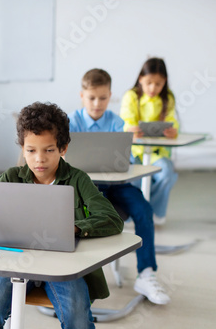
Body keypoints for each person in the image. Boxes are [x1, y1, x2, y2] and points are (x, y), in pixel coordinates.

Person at [0, 102, 123, 329]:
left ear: (63, 148)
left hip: (63, 266)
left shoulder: (78, 179)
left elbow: (112, 218)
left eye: (48, 150)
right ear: (22, 148)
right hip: (16, 264)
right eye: (31, 150)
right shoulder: (12, 177)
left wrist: (75, 228)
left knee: (77, 314)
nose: (39, 159)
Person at [69, 68, 171, 305]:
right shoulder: (71, 122)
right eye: (92, 97)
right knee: (82, 216)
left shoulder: (117, 122)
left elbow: (128, 161)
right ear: (82, 95)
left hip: (117, 184)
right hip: (88, 188)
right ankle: (80, 278)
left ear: (110, 96)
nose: (97, 103)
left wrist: (127, 158)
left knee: (144, 209)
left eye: (103, 98)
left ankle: (146, 274)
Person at [120, 58, 179, 226]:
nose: (153, 88)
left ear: (165, 82)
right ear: (140, 79)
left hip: (157, 152)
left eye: (158, 84)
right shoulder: (131, 96)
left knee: (167, 173)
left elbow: (172, 121)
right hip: (134, 151)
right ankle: (134, 213)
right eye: (149, 83)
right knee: (135, 179)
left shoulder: (168, 98)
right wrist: (130, 129)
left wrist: (172, 131)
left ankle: (155, 213)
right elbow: (126, 121)